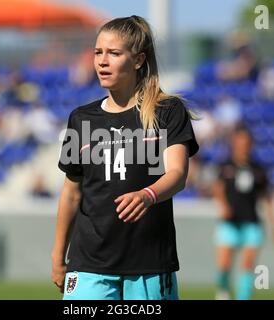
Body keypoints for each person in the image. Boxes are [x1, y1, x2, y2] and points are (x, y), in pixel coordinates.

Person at [51, 15, 199, 300]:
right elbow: (71, 194)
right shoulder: (81, 119)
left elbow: (178, 174)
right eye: (98, 53)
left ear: (138, 60)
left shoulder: (168, 111)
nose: (102, 62)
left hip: (149, 264)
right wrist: (58, 256)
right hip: (88, 263)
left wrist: (147, 195)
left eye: (114, 53)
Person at [212, 124, 274, 300]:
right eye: (240, 141)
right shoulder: (225, 165)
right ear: (234, 143)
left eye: (246, 142)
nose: (243, 145)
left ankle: (243, 297)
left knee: (248, 264)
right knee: (224, 265)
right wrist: (224, 206)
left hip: (251, 222)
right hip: (230, 222)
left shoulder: (258, 169)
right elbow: (218, 189)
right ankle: (223, 292)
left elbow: (267, 198)